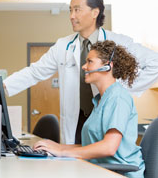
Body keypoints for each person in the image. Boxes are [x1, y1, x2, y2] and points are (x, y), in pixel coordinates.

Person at [0, 0, 158, 144]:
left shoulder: (117, 42)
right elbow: (35, 72)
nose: (72, 16)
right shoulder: (63, 46)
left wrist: (122, 89)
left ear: (95, 12)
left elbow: (155, 62)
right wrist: (1, 86)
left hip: (106, 117)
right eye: (70, 10)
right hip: (77, 122)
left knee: (102, 159)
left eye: (77, 10)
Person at [34, 40, 145, 178]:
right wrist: (58, 147)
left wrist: (62, 152)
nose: (84, 66)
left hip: (119, 174)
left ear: (107, 66)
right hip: (101, 170)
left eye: (90, 61)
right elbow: (91, 145)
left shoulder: (118, 98)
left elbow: (109, 147)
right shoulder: (100, 99)